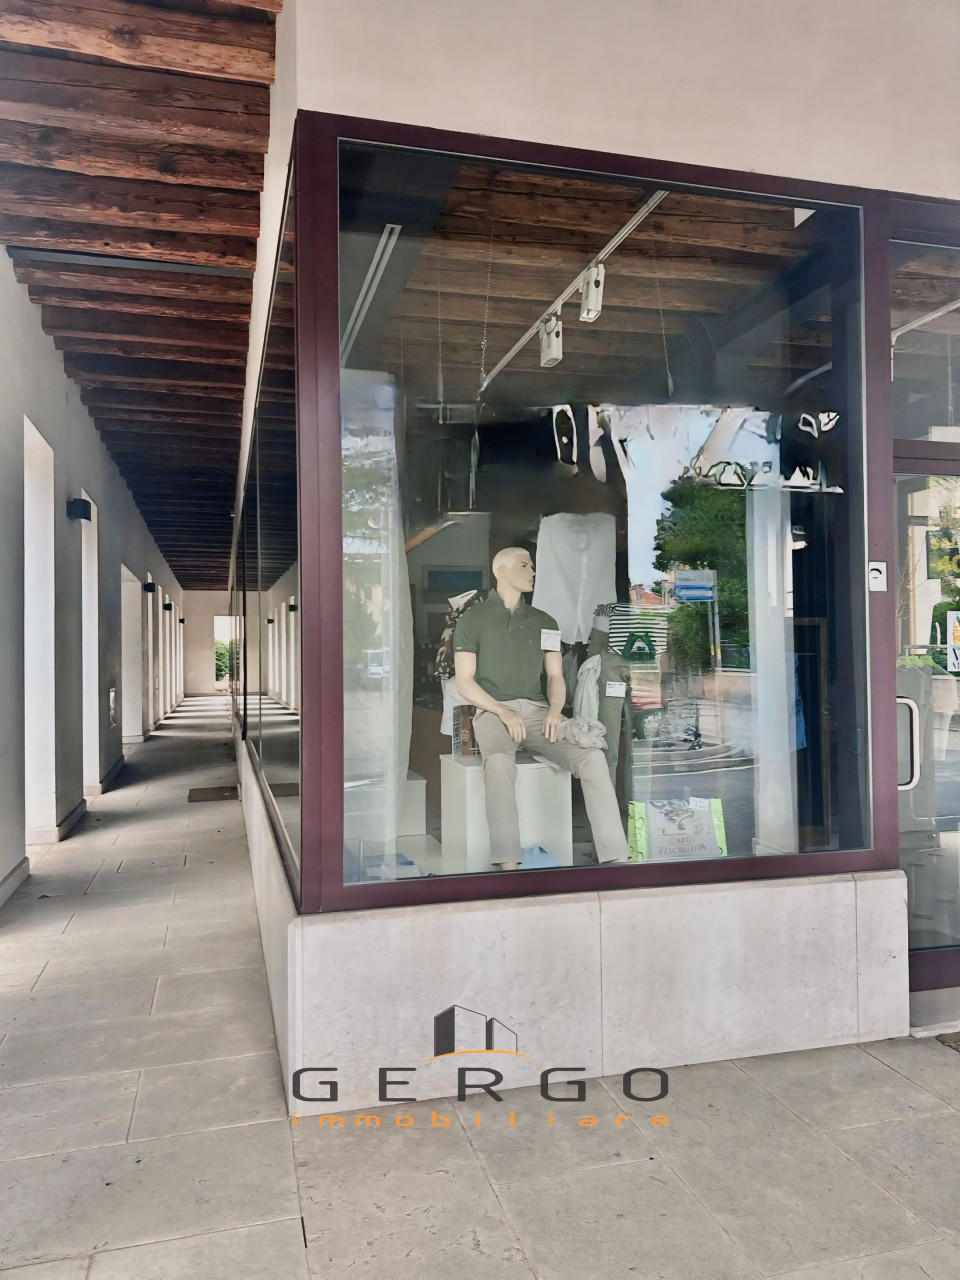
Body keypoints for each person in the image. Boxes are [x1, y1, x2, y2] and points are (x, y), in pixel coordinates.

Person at [453, 547, 630, 869]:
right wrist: (501, 710)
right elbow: (464, 682)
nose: (532, 572)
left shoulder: (544, 622)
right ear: (501, 571)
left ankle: (617, 856)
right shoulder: (472, 619)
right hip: (494, 712)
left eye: (532, 565)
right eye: (524, 565)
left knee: (592, 758)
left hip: (538, 713)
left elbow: (555, 675)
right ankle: (508, 861)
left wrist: (555, 708)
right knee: (498, 763)